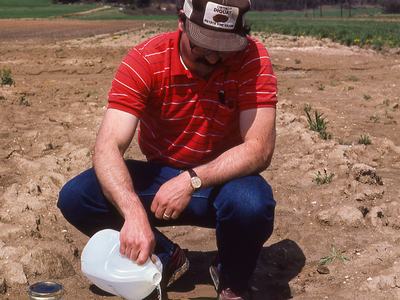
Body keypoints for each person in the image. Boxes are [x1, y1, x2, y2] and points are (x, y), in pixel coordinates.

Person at [58, 0, 277, 299]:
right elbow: (108, 145)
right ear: (181, 23)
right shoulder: (146, 59)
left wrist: (191, 180)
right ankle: (166, 256)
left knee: (252, 205)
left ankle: (230, 274)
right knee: (77, 197)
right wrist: (134, 214)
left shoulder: (251, 58)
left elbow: (259, 148)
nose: (213, 58)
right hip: (160, 177)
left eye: (223, 47)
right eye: (203, 45)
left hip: (222, 181)